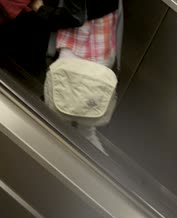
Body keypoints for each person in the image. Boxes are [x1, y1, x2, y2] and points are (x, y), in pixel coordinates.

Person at [30, 0, 122, 155]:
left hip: (79, 49)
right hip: (102, 47)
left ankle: (39, 157)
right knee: (85, 128)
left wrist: (40, 8)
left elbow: (74, 16)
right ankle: (99, 169)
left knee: (54, 115)